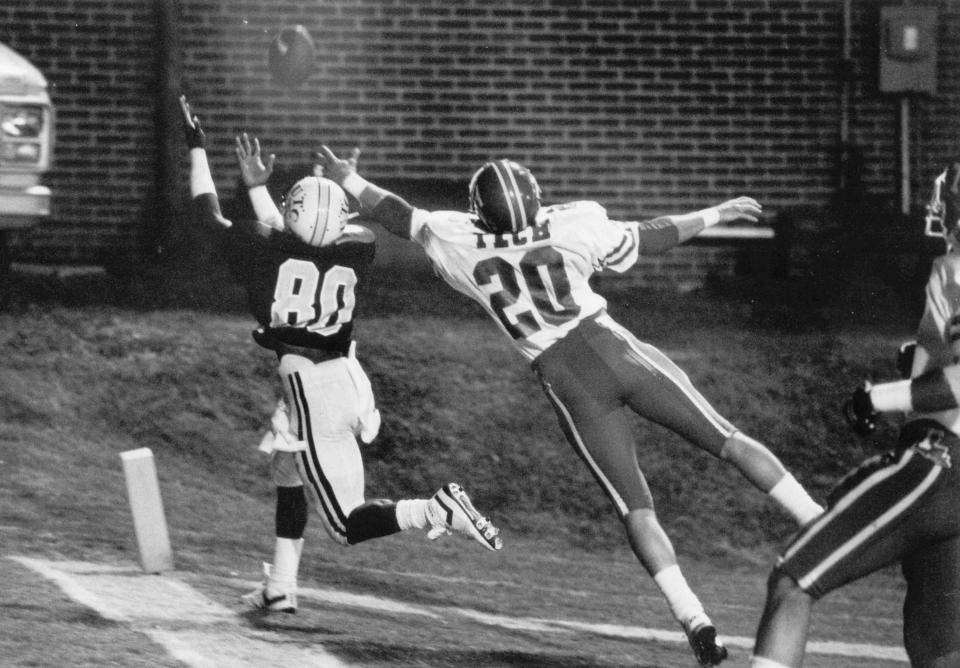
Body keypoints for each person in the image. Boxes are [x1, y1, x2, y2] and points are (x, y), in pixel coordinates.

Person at [317, 147, 824, 665]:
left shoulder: (457, 239)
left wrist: (350, 179)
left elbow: (400, 216)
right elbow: (653, 236)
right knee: (729, 441)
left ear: (479, 211)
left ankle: (694, 617)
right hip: (617, 351)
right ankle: (817, 520)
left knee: (635, 507)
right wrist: (718, 212)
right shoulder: (576, 222)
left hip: (567, 381)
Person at [178, 96, 502, 614]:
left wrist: (198, 147)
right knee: (287, 468)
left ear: (291, 217)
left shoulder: (266, 253)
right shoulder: (360, 246)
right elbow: (307, 239)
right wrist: (271, 191)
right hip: (345, 375)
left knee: (346, 525)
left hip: (313, 389)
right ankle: (281, 586)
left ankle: (434, 509)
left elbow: (206, 212)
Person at [750, 159, 960, 668]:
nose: (939, 205)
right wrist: (919, 363)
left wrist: (879, 397)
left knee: (794, 578)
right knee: (940, 650)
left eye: (948, 195)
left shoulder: (956, 268)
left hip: (939, 466)